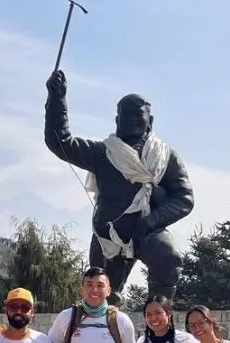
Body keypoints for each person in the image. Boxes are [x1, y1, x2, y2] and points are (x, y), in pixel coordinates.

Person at [44, 68, 195, 304]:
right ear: (117, 121)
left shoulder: (166, 157)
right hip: (108, 234)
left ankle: (159, 315)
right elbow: (60, 142)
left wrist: (150, 222)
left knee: (168, 257)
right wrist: (57, 99)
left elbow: (184, 198)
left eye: (138, 116)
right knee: (102, 294)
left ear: (150, 121)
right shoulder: (103, 153)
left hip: (148, 231)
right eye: (127, 116)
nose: (133, 120)